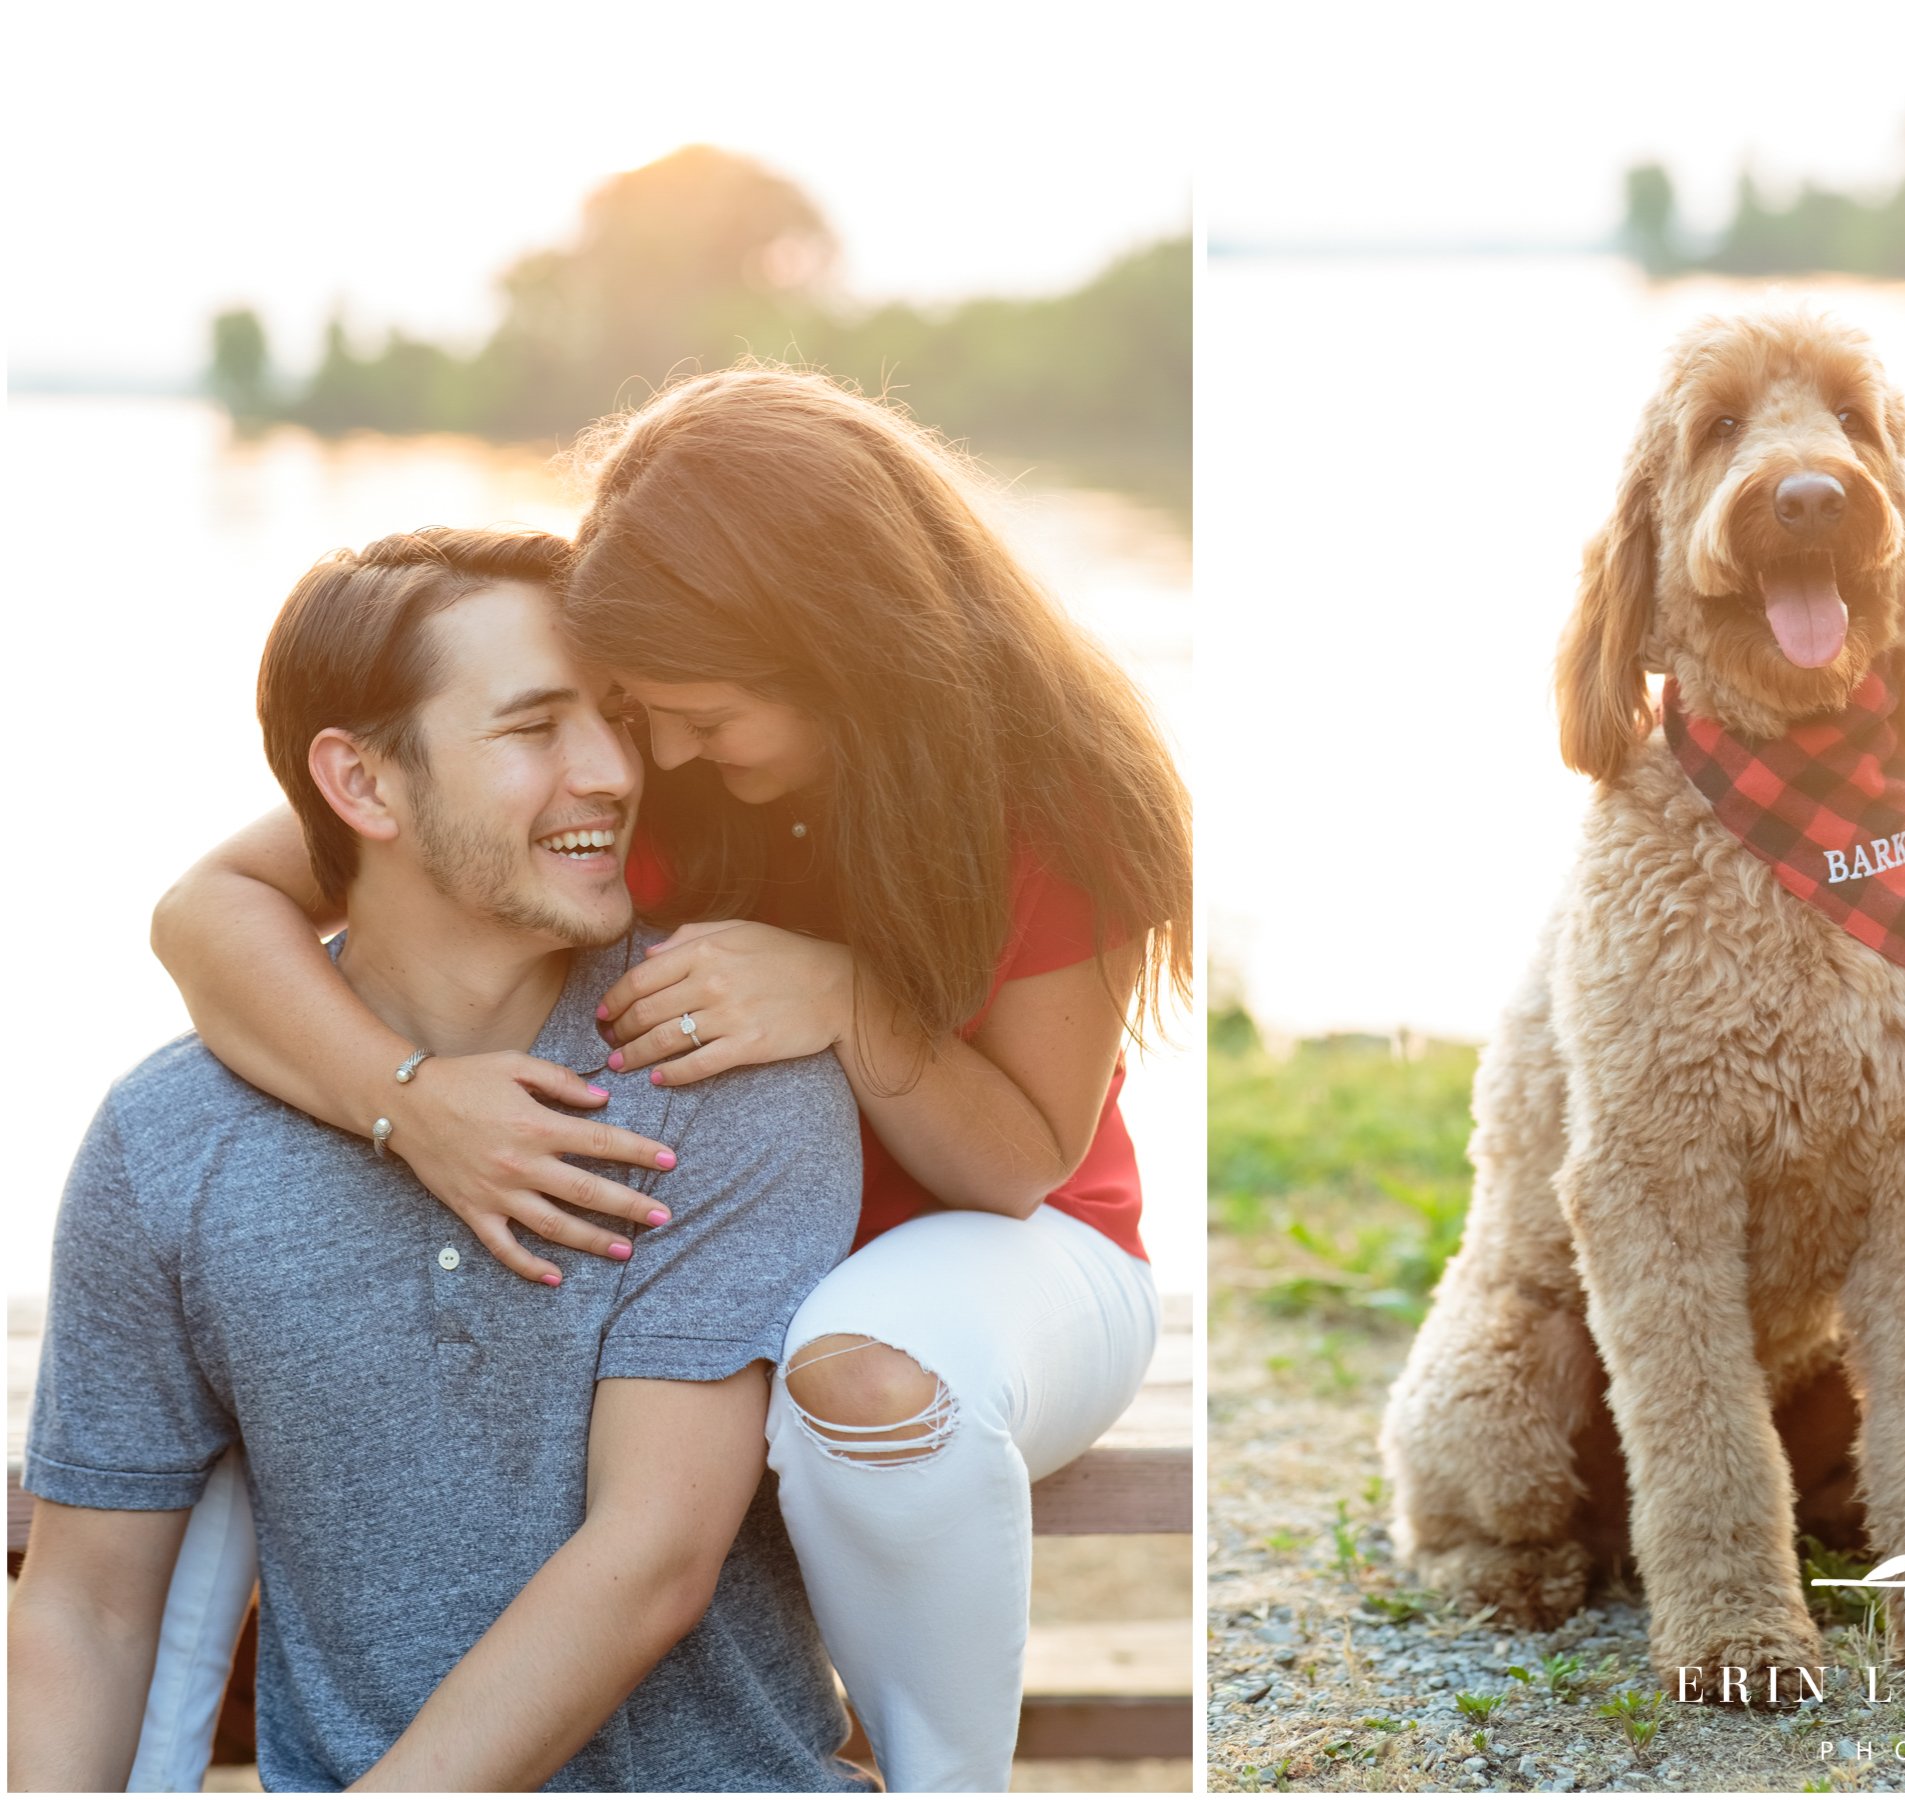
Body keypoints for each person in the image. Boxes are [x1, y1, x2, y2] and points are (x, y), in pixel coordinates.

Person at [148, 367, 1193, 1791]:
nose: (661, 754)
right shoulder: (637, 753)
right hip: (685, 1260)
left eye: (702, 712)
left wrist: (842, 999)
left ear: (842, 650)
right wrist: (412, 1099)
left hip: (997, 1254)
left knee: (863, 1373)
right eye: (644, 707)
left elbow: (1019, 1161)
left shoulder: (1054, 782)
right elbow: (207, 910)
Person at [10, 530, 872, 1793]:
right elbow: (85, 1609)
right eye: (533, 729)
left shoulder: (721, 1067)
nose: (613, 772)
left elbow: (653, 1564)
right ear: (362, 787)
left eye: (616, 719)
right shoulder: (169, 1143)